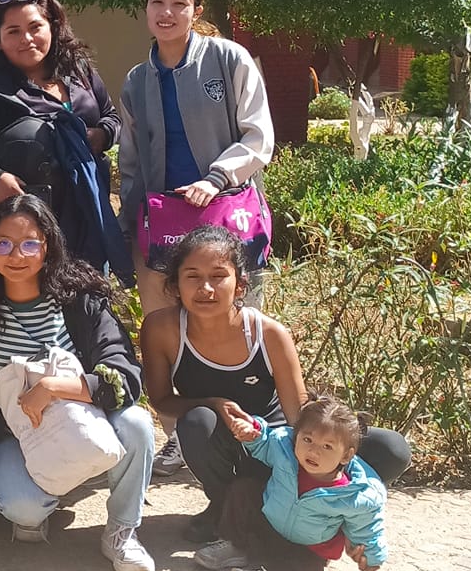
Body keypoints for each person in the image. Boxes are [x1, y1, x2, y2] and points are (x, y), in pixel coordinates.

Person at [139, 224, 412, 542]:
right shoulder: (162, 328)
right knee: (197, 421)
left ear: (240, 285)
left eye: (218, 276)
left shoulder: (268, 334)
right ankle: (226, 508)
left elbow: (299, 415)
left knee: (392, 449)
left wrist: (315, 452)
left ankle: (328, 509)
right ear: (175, 285)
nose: (206, 288)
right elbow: (161, 400)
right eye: (193, 276)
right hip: (224, 447)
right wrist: (213, 403)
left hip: (277, 445)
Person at [0, 194, 157, 571]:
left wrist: (55, 388)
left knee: (137, 424)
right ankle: (53, 488)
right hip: (15, 437)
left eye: (29, 244)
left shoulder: (80, 301)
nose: (16, 255)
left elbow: (124, 375)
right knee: (22, 511)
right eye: (3, 243)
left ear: (48, 245)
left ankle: (122, 530)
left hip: (84, 423)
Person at [118, 0, 275, 476]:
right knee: (165, 333)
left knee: (236, 330)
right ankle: (180, 438)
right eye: (157, 2)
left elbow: (258, 136)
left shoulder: (229, 59)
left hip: (227, 219)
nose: (167, 13)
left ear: (196, 9)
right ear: (145, 9)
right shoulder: (137, 80)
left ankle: (250, 438)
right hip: (162, 229)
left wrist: (217, 177)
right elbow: (131, 160)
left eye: (179, 3)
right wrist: (128, 225)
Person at [0, 0, 125, 274]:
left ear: (53, 27)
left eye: (35, 27)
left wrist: (101, 135)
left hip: (88, 218)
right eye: (13, 31)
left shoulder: (80, 73)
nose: (26, 39)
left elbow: (110, 116)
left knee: (88, 294)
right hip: (25, 235)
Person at [197, 395, 392, 571]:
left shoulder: (354, 496)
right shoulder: (285, 451)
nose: (314, 451)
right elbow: (266, 442)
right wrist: (252, 433)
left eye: (327, 446)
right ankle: (235, 546)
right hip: (268, 525)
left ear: (346, 456)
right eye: (307, 440)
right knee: (243, 490)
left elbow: (367, 529)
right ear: (296, 436)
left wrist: (374, 564)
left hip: (306, 548)